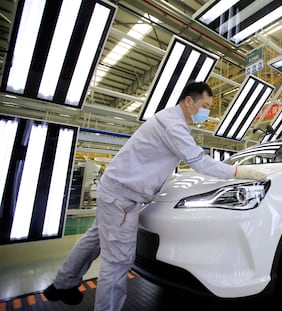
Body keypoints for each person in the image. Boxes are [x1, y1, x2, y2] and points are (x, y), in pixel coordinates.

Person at [43, 82, 267, 310]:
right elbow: (199, 161)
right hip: (123, 198)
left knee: (93, 240)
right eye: (205, 106)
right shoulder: (174, 125)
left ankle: (62, 285)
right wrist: (239, 171)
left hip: (115, 191)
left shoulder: (169, 120)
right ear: (189, 101)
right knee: (118, 261)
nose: (207, 113)